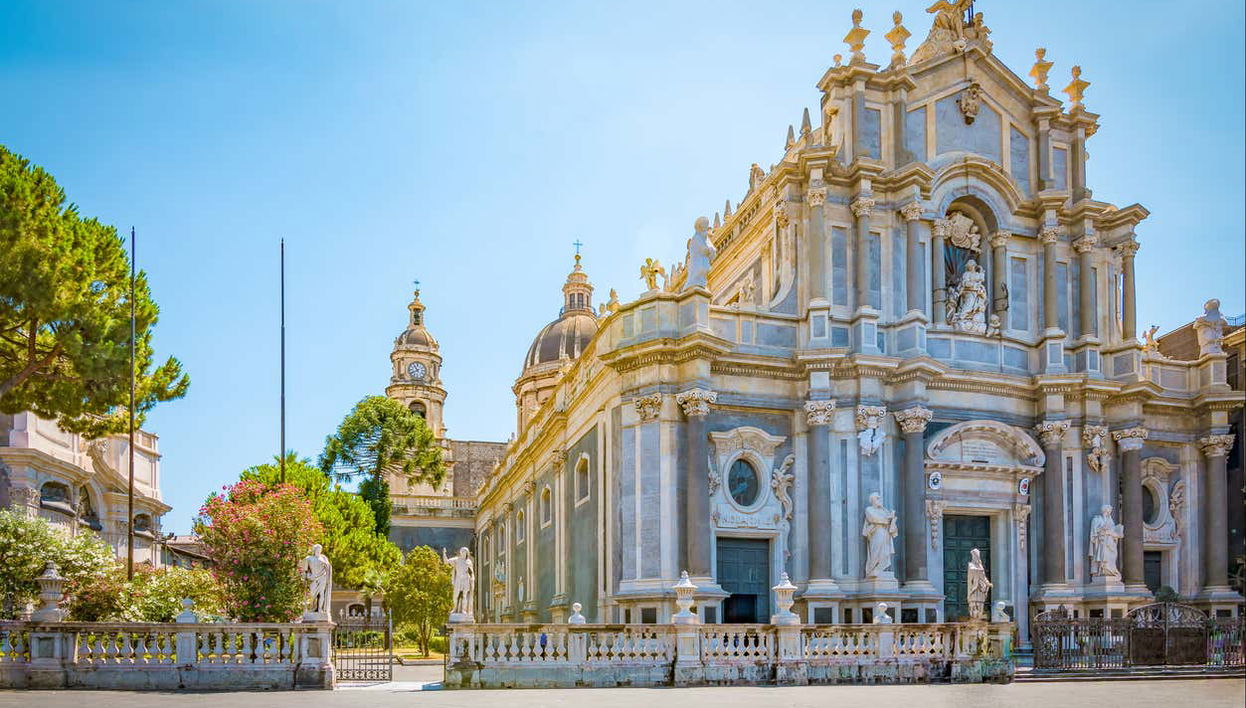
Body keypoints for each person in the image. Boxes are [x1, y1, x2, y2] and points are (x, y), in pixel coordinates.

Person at [861, 493, 898, 577]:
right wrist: (887, 518)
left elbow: (889, 521)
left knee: (885, 552)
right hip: (876, 532)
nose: (879, 500)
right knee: (875, 550)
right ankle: (872, 569)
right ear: (872, 500)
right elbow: (873, 519)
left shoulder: (884, 510)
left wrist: (892, 519)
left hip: (885, 532)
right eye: (877, 498)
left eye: (880, 498)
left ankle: (881, 568)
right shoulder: (869, 509)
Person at [1089, 505, 1124, 579]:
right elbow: (1094, 533)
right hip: (1102, 542)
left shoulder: (1110, 521)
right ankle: (1103, 571)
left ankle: (1111, 570)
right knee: (1104, 556)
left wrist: (1116, 533)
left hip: (1111, 543)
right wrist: (1102, 530)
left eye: (1110, 511)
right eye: (1107, 511)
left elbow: (1114, 530)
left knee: (1113, 556)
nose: (1108, 513)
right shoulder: (1097, 519)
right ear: (1104, 510)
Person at [442, 546, 475, 617]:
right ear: (460, 552)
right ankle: (454, 609)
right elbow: (446, 562)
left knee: (465, 595)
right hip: (458, 579)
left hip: (466, 579)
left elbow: (471, 572)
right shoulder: (456, 560)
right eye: (462, 551)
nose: (463, 553)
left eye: (465, 552)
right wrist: (444, 554)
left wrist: (472, 579)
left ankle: (463, 610)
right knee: (455, 596)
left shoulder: (469, 562)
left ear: (467, 553)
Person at [967, 548, 992, 620]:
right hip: (974, 588)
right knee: (974, 603)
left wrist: (987, 583)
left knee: (980, 603)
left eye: (976, 555)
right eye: (974, 555)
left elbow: (983, 577)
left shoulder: (980, 566)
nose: (975, 557)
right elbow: (971, 577)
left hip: (981, 588)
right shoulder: (970, 565)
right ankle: (973, 617)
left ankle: (979, 615)